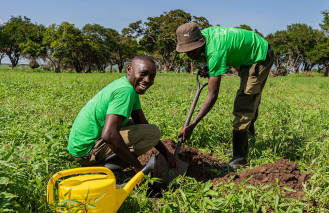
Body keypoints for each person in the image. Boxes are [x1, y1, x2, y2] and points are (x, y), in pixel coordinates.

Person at [176, 23, 275, 170]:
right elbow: (222, 52)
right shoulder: (206, 36)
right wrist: (210, 68)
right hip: (247, 56)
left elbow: (213, 95)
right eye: (185, 50)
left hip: (260, 55)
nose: (189, 54)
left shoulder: (215, 50)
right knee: (248, 101)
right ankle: (245, 145)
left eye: (191, 49)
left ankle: (239, 158)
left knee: (244, 103)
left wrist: (192, 125)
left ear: (200, 41)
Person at [68, 55, 178, 183]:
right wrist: (138, 166)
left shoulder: (128, 86)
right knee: (152, 133)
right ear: (129, 70)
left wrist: (166, 154)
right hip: (85, 151)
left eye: (152, 76)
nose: (147, 80)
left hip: (79, 146)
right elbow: (109, 135)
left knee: (141, 128)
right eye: (143, 74)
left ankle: (110, 163)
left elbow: (141, 123)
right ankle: (104, 169)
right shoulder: (126, 91)